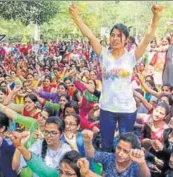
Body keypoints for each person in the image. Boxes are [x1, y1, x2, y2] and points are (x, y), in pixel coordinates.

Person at [69, 4, 163, 152]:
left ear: (126, 40)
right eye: (113, 35)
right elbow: (90, 35)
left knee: (125, 146)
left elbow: (147, 38)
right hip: (107, 108)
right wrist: (75, 17)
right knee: (107, 145)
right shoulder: (103, 55)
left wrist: (156, 17)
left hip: (127, 109)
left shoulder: (132, 56)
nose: (115, 38)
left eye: (119, 35)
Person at [82, 130, 150, 177]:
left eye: (125, 151)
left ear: (133, 152)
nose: (120, 153)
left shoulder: (136, 165)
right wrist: (87, 142)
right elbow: (92, 155)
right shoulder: (110, 158)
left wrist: (142, 163)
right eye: (119, 148)